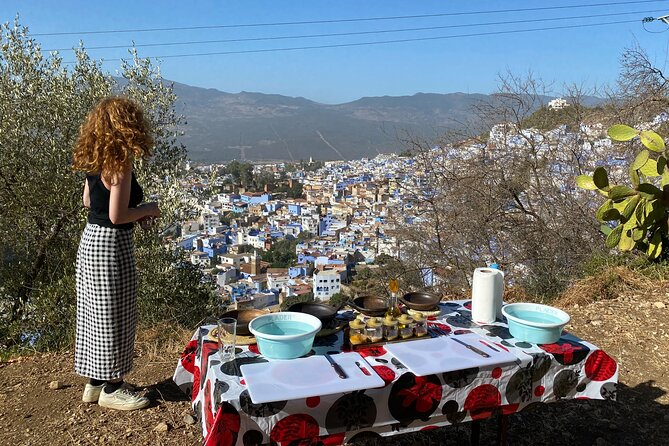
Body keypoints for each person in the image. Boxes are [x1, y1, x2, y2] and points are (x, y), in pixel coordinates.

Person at [71, 97, 161, 410]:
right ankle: (113, 388)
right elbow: (117, 216)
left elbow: (88, 202)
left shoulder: (93, 158)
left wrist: (132, 211)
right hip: (111, 244)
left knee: (97, 313)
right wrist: (148, 209)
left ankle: (94, 384)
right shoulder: (119, 160)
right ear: (126, 125)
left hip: (90, 241)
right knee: (116, 315)